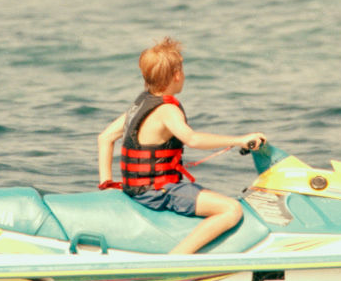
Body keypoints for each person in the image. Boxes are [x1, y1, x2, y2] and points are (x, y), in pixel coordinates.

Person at [98, 37, 267, 254]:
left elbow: (105, 137)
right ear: (177, 75)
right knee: (231, 209)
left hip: (136, 189)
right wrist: (239, 140)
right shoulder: (167, 110)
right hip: (159, 191)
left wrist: (106, 183)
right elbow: (193, 139)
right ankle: (174, 260)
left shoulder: (141, 104)